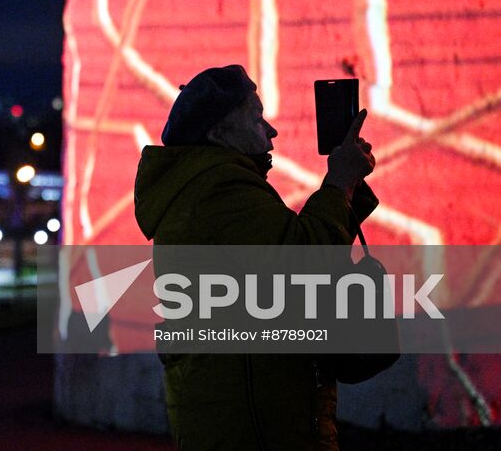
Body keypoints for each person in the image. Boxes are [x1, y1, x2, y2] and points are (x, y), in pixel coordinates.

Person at [134, 65, 378, 451]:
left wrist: (345, 189)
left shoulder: (212, 186)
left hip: (244, 407)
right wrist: (339, 182)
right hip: (252, 419)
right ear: (218, 132)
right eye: (257, 116)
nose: (271, 130)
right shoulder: (219, 190)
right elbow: (301, 263)